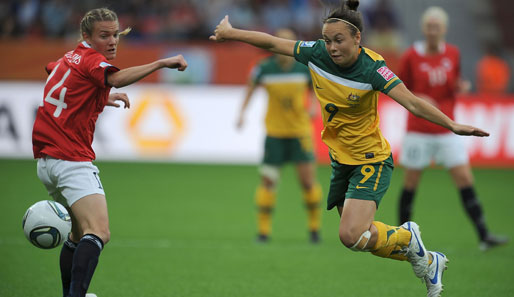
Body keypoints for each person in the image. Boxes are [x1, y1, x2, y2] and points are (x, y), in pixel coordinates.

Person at [209, 1, 489, 296]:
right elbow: (271, 42)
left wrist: (453, 125)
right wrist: (231, 32)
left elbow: (412, 102)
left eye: (338, 40)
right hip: (341, 160)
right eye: (328, 40)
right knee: (359, 239)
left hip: (372, 160)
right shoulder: (315, 54)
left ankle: (409, 238)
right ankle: (425, 256)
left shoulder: (373, 69)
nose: (331, 47)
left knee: (350, 234)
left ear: (357, 38)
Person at [32, 8, 187, 297]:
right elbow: (114, 78)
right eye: (104, 36)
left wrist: (101, 97)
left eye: (115, 34)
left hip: (46, 161)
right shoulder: (92, 60)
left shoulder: (70, 57)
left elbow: (58, 75)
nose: (113, 41)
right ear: (87, 36)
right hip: (71, 160)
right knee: (99, 232)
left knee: (78, 235)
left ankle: (70, 294)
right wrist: (161, 63)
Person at [397, 7, 508, 252]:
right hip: (419, 129)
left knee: (465, 179)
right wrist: (420, 96)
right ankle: (400, 239)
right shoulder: (411, 56)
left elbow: (452, 82)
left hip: (448, 129)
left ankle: (484, 235)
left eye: (437, 26)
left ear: (444, 29)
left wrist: (461, 85)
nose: (433, 31)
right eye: (429, 26)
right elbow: (398, 89)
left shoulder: (453, 54)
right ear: (424, 28)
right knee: (411, 183)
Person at [236, 28, 322, 243]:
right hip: (274, 133)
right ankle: (263, 232)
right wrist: (242, 113)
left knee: (308, 182)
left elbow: (315, 92)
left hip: (299, 133)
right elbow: (249, 89)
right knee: (268, 181)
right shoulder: (263, 68)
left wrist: (313, 106)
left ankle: (314, 229)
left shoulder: (304, 68)